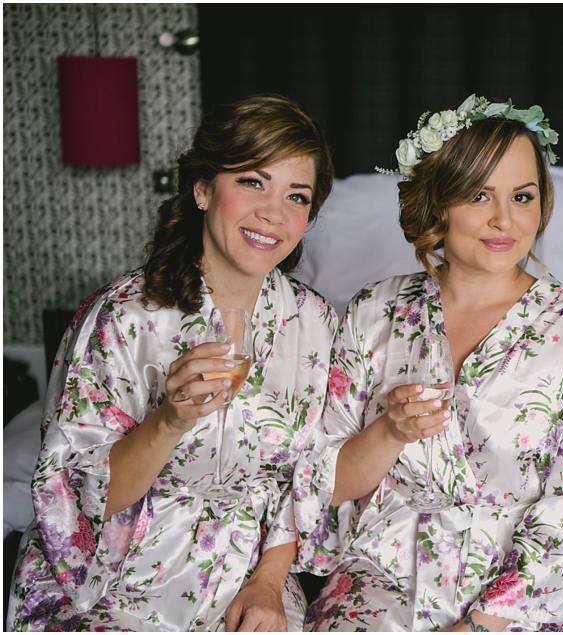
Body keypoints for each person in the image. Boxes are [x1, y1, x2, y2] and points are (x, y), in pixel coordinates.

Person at [293, 94, 563, 631]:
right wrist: (390, 431)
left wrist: (482, 623)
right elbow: (325, 480)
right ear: (436, 203)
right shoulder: (376, 311)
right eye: (478, 195)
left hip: (516, 597)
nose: (504, 220)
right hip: (381, 573)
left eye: (522, 196)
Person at [7, 94, 338, 631]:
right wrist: (169, 420)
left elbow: (308, 478)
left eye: (296, 196)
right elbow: (76, 501)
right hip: (114, 580)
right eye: (253, 182)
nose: (274, 213)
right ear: (204, 189)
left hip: (246, 577)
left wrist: (269, 584)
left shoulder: (316, 325)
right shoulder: (122, 317)